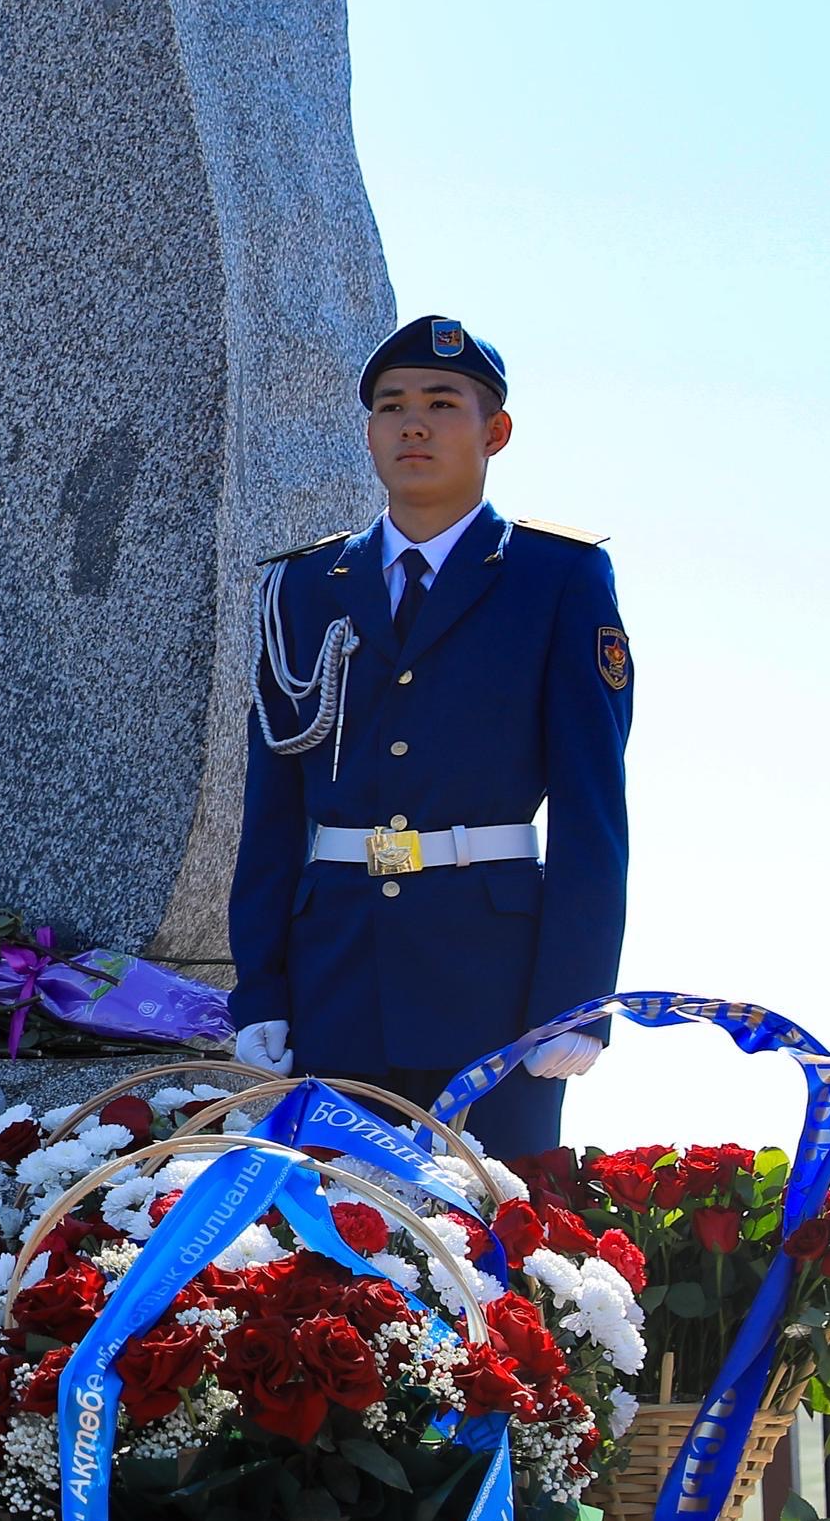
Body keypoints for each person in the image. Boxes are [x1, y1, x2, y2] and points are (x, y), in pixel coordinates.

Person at [226, 317, 634, 1162]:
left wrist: (577, 1000)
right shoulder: (302, 587)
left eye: (442, 403)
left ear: (496, 432)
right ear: (368, 431)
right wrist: (259, 987)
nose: (413, 423)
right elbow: (271, 811)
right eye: (391, 405)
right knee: (327, 1250)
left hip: (497, 983)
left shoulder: (555, 578)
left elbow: (594, 813)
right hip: (333, 973)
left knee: (492, 1252)